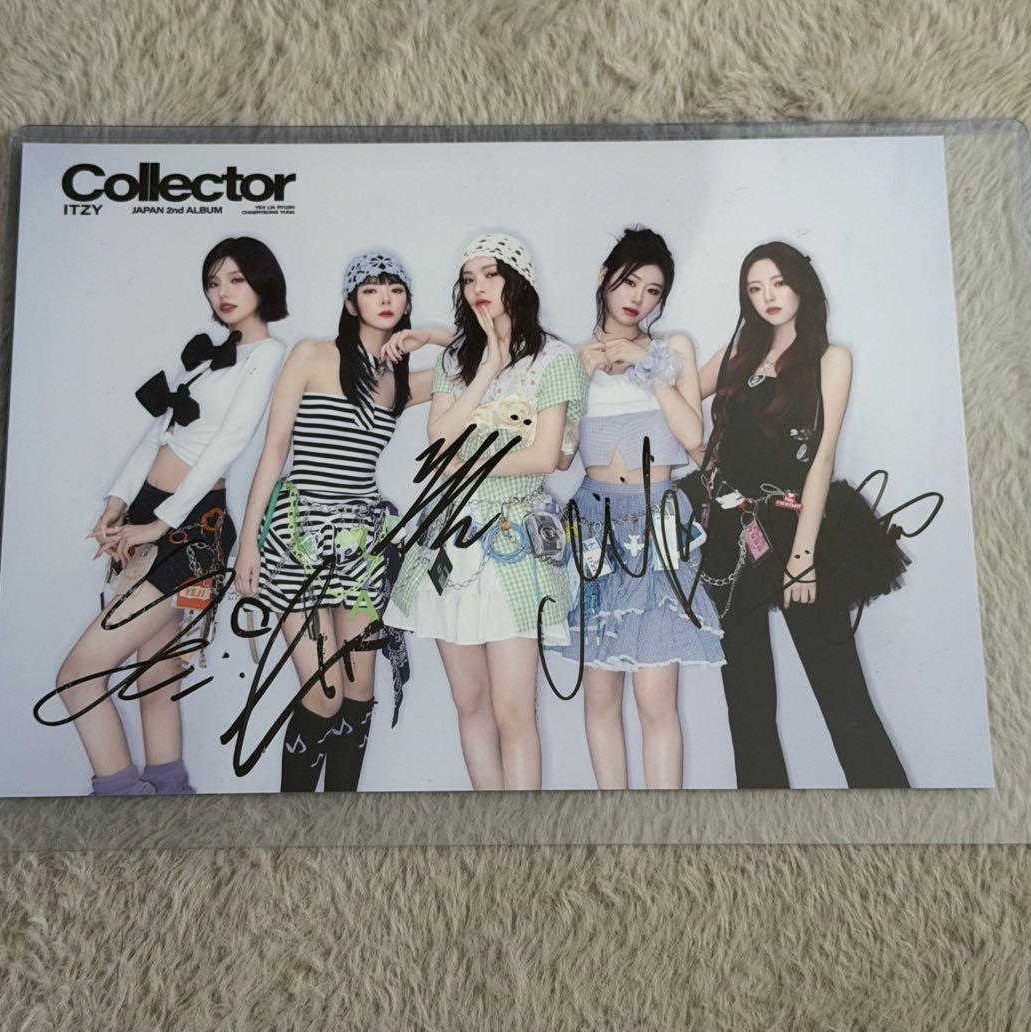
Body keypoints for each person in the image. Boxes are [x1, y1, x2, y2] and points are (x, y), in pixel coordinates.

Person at [54, 236, 288, 795]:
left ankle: (121, 801)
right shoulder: (206, 357)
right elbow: (159, 435)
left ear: (262, 282)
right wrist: (115, 505)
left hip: (193, 529)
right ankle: (168, 798)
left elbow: (227, 445)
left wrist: (159, 525)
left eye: (236, 279)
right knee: (157, 678)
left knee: (77, 678)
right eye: (213, 281)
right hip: (148, 516)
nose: (222, 291)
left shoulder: (268, 354)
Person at [233, 249, 452, 793]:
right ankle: (292, 821)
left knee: (358, 691)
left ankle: (339, 817)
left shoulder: (401, 383)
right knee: (324, 693)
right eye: (371, 289)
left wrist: (427, 336)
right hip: (298, 537)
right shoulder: (312, 355)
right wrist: (248, 543)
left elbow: (489, 357)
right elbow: (274, 452)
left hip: (361, 543)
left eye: (395, 289)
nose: (385, 299)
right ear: (351, 302)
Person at [694, 241, 909, 788]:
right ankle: (763, 824)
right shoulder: (736, 354)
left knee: (843, 697)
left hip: (801, 526)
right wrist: (646, 359)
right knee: (747, 704)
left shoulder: (831, 359)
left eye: (778, 283)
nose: (767, 296)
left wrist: (803, 557)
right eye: (754, 288)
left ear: (800, 286)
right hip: (734, 532)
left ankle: (894, 817)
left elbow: (822, 456)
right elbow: (676, 395)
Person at [384, 233, 588, 791]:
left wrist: (465, 462)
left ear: (517, 281)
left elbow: (545, 457)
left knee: (513, 710)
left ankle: (523, 831)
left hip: (515, 542)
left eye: (490, 274)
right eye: (469, 278)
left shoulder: (555, 359)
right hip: (449, 541)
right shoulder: (455, 360)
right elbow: (437, 441)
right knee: (469, 701)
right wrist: (486, 367)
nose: (478, 286)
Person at [557, 227, 724, 789]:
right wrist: (577, 377)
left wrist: (646, 363)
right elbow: (560, 457)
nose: (639, 299)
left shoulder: (673, 349)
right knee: (600, 697)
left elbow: (694, 439)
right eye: (630, 282)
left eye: (653, 291)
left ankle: (664, 823)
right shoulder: (571, 358)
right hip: (594, 522)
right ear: (604, 277)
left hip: (656, 521)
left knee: (657, 700)